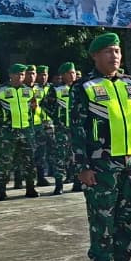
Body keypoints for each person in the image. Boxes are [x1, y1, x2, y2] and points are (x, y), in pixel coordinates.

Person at [71, 33, 131, 261]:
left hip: (130, 162)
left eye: (116, 51)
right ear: (95, 56)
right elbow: (76, 129)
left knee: (126, 218)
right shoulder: (85, 87)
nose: (114, 56)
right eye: (107, 51)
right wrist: (82, 166)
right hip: (100, 165)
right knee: (102, 219)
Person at [0, 63, 39, 200]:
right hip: (7, 133)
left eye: (22, 74)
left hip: (26, 131)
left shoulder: (29, 90)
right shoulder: (1, 90)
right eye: (17, 74)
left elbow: (33, 108)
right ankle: (1, 190)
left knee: (29, 161)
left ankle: (30, 188)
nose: (20, 77)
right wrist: (1, 124)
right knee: (5, 161)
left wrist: (29, 125)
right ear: (10, 75)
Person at [42, 62, 81, 195]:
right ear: (64, 75)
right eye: (70, 73)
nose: (73, 75)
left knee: (76, 156)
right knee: (60, 157)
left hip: (76, 128)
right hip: (62, 129)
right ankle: (59, 184)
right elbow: (45, 105)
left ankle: (77, 182)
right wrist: (56, 117)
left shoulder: (79, 88)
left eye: (74, 73)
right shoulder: (56, 89)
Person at [31, 64, 55, 186]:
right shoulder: (33, 89)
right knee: (39, 151)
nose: (43, 77)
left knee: (53, 149)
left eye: (45, 75)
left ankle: (53, 172)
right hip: (37, 124)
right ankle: (40, 177)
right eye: (40, 75)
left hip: (50, 123)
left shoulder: (52, 88)